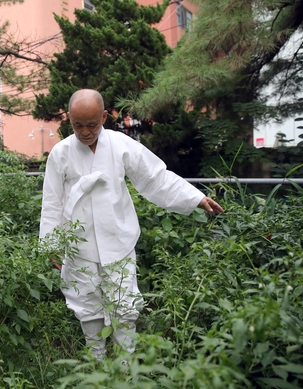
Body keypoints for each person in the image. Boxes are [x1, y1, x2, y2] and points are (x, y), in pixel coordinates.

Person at [39, 89, 223, 360]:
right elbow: (52, 201)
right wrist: (51, 244)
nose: (85, 132)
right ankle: (97, 364)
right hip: (77, 244)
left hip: (118, 240)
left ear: (104, 116)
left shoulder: (120, 144)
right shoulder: (60, 153)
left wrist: (195, 197)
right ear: (69, 120)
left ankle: (126, 366)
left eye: (92, 124)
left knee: (124, 307)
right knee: (86, 306)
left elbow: (155, 178)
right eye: (78, 125)